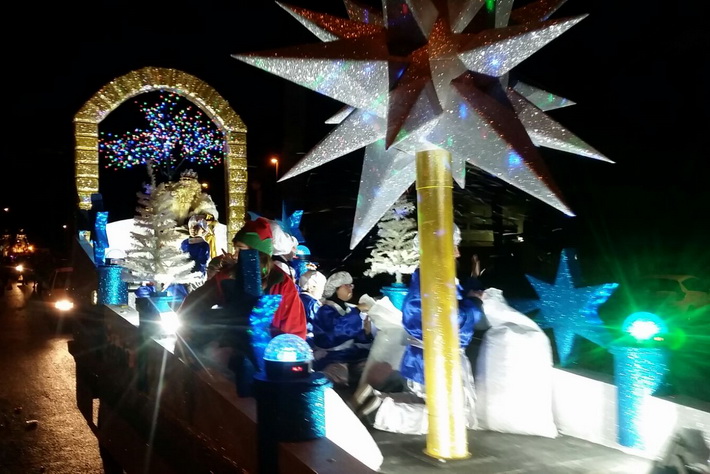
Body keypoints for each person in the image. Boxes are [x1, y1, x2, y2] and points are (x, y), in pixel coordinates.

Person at [365, 224, 485, 433]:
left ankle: (380, 402)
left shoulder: (434, 277)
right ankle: (381, 409)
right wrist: (474, 305)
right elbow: (450, 319)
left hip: (430, 355)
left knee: (440, 407)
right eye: (453, 246)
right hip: (433, 358)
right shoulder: (434, 279)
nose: (457, 252)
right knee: (447, 415)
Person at [310, 271, 374, 391]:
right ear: (336, 288)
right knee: (338, 379)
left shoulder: (347, 310)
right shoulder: (325, 310)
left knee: (372, 370)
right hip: (331, 357)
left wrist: (366, 332)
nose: (351, 288)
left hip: (351, 355)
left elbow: (354, 336)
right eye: (347, 285)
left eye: (352, 285)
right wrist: (357, 311)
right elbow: (334, 335)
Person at [297, 269, 326, 338]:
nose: (323, 290)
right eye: (321, 286)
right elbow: (322, 323)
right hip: (308, 338)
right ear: (312, 287)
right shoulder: (312, 304)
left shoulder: (299, 297)